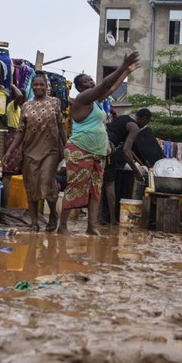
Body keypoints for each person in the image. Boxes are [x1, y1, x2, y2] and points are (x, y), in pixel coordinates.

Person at [57, 51, 141, 235]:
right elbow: (106, 84)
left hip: (98, 152)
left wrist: (126, 72)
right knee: (75, 188)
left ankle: (91, 227)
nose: (91, 82)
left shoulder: (94, 103)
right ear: (79, 88)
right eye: (87, 81)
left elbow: (109, 90)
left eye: (91, 80)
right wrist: (122, 66)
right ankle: (62, 226)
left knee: (96, 190)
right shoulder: (82, 100)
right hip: (80, 149)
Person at [2, 72, 67, 232]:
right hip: (29, 151)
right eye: (35, 85)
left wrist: (67, 149)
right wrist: (10, 152)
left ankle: (53, 214)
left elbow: (61, 126)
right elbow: (20, 131)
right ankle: (34, 223)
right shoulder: (26, 106)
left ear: (47, 86)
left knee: (46, 182)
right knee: (31, 187)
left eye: (41, 85)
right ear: (32, 86)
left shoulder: (55, 102)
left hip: (51, 150)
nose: (38, 87)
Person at [104, 108, 152, 224]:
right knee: (110, 184)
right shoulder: (134, 127)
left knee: (99, 184)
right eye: (147, 122)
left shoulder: (123, 117)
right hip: (106, 148)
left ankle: (100, 217)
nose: (145, 125)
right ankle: (112, 219)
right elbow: (126, 150)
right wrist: (136, 172)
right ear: (144, 119)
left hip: (99, 143)